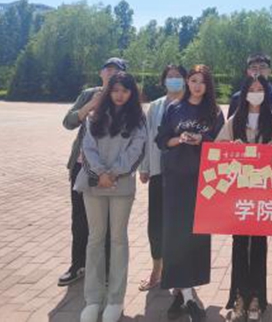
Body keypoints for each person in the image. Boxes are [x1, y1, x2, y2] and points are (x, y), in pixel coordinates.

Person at [74, 72, 147, 322]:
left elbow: (137, 151)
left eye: (124, 90)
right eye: (115, 90)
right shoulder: (94, 115)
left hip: (121, 185)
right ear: (108, 91)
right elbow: (87, 148)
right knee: (95, 239)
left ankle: (115, 299)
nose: (119, 95)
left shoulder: (138, 119)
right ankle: (93, 299)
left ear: (131, 93)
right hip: (93, 183)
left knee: (118, 240)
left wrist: (113, 173)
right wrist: (100, 173)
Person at [217, 75, 272, 322]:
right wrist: (232, 147)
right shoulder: (235, 119)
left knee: (258, 243)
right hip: (239, 191)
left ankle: (257, 296)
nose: (256, 93)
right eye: (252, 89)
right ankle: (239, 296)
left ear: (266, 93)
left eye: (260, 89)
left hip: (263, 190)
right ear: (244, 93)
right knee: (239, 243)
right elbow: (218, 147)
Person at [156, 64, 224, 322]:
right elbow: (162, 140)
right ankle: (186, 296)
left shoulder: (214, 111)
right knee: (175, 235)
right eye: (193, 80)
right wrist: (180, 139)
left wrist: (202, 140)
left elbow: (221, 144)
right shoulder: (174, 107)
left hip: (203, 181)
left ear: (208, 86)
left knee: (196, 236)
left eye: (202, 81)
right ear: (187, 82)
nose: (197, 85)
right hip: (175, 179)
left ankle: (184, 291)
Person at [227, 54, 272, 290]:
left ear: (270, 70)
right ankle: (246, 270)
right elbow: (230, 135)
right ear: (247, 72)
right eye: (253, 67)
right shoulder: (237, 98)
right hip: (245, 173)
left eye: (262, 67)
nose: (258, 71)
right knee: (248, 218)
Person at [58, 57, 125, 287]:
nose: (111, 74)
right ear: (101, 73)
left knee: (107, 222)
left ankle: (106, 270)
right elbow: (68, 122)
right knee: (79, 220)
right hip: (81, 167)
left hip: (109, 171)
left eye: (117, 71)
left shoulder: (124, 96)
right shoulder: (88, 94)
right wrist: (89, 106)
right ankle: (78, 265)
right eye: (108, 70)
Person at [138, 64, 187, 291]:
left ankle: (178, 272)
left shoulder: (191, 104)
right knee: (156, 223)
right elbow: (148, 137)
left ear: (185, 80)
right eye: (170, 77)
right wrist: (145, 167)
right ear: (164, 80)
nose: (174, 80)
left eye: (178, 76)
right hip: (159, 171)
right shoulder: (156, 106)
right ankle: (157, 269)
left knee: (180, 224)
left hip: (184, 174)